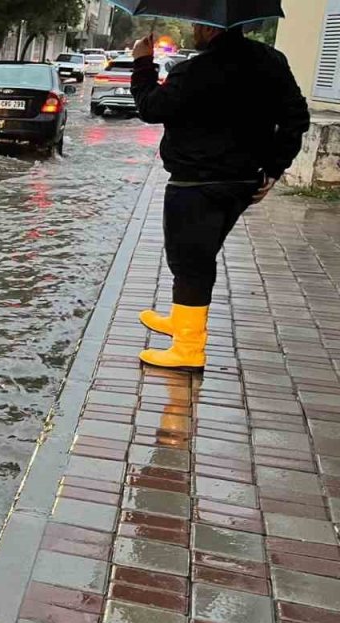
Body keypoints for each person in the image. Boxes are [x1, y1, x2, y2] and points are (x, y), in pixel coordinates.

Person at [130, 24, 309, 370]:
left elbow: (151, 108)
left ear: (212, 27)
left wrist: (143, 63)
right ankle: (185, 319)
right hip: (242, 182)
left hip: (196, 184)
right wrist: (273, 168)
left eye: (199, 25)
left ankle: (188, 348)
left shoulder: (195, 71)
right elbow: (295, 119)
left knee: (190, 263)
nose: (195, 30)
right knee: (200, 256)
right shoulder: (271, 61)